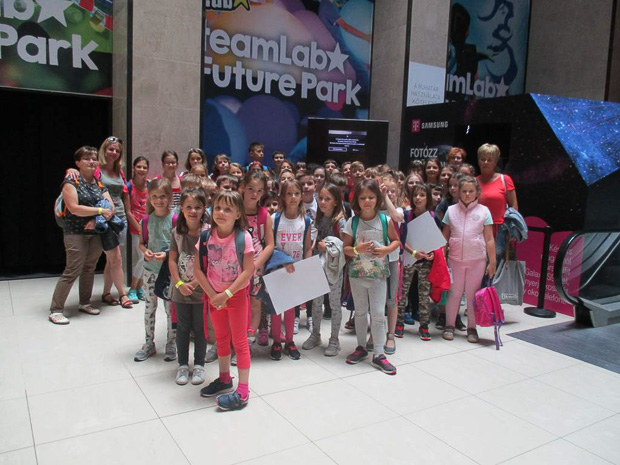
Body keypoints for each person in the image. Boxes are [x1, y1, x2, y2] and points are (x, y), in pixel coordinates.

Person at [194, 191, 254, 410]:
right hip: (214, 297)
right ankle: (225, 378)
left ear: (238, 214)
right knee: (220, 338)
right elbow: (198, 270)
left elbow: (247, 271)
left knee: (239, 341)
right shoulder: (205, 236)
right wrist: (213, 295)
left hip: (235, 297)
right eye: (218, 207)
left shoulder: (243, 237)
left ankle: (243, 391)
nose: (221, 212)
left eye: (228, 209)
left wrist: (226, 294)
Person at [49, 146, 113, 325]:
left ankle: (85, 303)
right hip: (75, 232)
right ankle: (56, 310)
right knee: (73, 270)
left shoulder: (98, 183)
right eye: (87, 158)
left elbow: (110, 206)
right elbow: (74, 208)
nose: (91, 161)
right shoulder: (71, 182)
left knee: (89, 268)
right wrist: (99, 211)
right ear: (78, 163)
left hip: (95, 232)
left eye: (94, 158)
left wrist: (95, 218)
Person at [342, 179, 400, 375]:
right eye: (363, 197)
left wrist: (386, 250)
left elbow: (396, 241)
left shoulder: (385, 220)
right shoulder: (352, 222)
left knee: (377, 313)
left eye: (371, 197)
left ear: (377, 199)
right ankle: (361, 347)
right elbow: (346, 248)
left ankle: (379, 353)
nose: (367, 201)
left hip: (378, 275)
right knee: (360, 312)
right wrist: (356, 250)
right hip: (357, 275)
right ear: (357, 200)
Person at [442, 176, 496, 343]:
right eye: (464, 191)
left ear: (477, 192)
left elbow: (489, 239)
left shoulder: (484, 212)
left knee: (473, 294)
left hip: (477, 260)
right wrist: (442, 258)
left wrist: (492, 262)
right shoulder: (451, 211)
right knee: (454, 293)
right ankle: (449, 325)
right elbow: (444, 236)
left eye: (471, 191)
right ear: (458, 192)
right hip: (455, 259)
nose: (467, 194)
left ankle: (472, 328)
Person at [134, 178, 177, 363]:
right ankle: (148, 343)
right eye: (154, 196)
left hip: (168, 274)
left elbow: (179, 246)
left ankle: (171, 343)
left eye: (162, 196)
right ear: (149, 198)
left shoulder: (175, 219)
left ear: (169, 197)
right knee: (149, 307)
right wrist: (145, 251)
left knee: (170, 309)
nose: (159, 200)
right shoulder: (145, 220)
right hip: (150, 271)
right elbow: (142, 243)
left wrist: (166, 255)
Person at [269, 179, 312, 360]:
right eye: (289, 194)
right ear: (283, 197)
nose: (293, 197)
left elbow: (307, 247)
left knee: (291, 308)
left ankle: (289, 341)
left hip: (296, 270)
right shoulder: (275, 219)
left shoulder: (306, 220)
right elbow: (270, 245)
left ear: (301, 196)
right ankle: (276, 341)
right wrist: (283, 261)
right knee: (276, 309)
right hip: (277, 270)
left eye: (296, 193)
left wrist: (307, 268)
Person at [302, 183, 346, 356]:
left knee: (334, 304)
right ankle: (315, 334)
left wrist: (326, 247)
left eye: (327, 199)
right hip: (317, 265)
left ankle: (334, 339)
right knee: (316, 302)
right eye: (320, 198)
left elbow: (345, 246)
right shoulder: (318, 219)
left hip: (334, 269)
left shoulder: (340, 221)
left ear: (336, 201)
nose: (322, 202)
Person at [169, 188, 208, 385]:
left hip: (202, 290)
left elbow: (210, 264)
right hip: (180, 290)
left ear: (204, 209)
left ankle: (199, 364)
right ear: (182, 209)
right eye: (189, 207)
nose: (193, 211)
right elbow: (172, 260)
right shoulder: (177, 233)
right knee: (183, 328)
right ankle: (182, 365)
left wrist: (194, 283)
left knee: (200, 328)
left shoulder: (208, 233)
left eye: (198, 207)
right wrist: (179, 283)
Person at [397, 183, 441, 341]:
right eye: (415, 195)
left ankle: (424, 325)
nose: (418, 198)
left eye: (422, 195)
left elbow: (437, 240)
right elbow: (400, 239)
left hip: (425, 263)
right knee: (402, 292)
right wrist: (413, 252)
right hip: (408, 259)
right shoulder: (406, 215)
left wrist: (432, 253)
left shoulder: (433, 217)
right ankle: (399, 322)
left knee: (424, 295)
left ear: (428, 198)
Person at [239, 171, 274, 341]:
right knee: (237, 304)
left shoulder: (264, 214)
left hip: (256, 268)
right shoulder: (235, 211)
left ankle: (249, 340)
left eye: (259, 190)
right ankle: (234, 340)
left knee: (255, 303)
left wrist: (256, 264)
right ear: (243, 187)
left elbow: (270, 245)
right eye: (251, 189)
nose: (255, 194)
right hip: (236, 266)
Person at [377, 172, 404, 354]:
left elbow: (395, 216)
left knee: (391, 300)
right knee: (376, 300)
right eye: (387, 191)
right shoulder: (375, 212)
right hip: (376, 262)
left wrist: (385, 196)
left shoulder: (399, 210)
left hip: (393, 260)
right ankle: (376, 333)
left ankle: (391, 335)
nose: (390, 194)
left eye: (393, 191)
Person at [476, 143, 518, 228]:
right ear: (478, 162)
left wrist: (510, 229)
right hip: (477, 227)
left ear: (495, 162)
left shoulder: (505, 179)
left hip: (500, 228)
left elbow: (514, 207)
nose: (486, 162)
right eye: (482, 159)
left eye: (490, 160)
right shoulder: (473, 182)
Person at [126, 157, 150, 303]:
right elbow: (128, 211)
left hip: (149, 226)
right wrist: (139, 229)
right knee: (142, 257)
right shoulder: (128, 187)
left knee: (145, 258)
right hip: (136, 228)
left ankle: (140, 287)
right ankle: (132, 289)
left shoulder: (150, 185)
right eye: (139, 167)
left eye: (144, 167)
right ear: (133, 168)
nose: (141, 170)